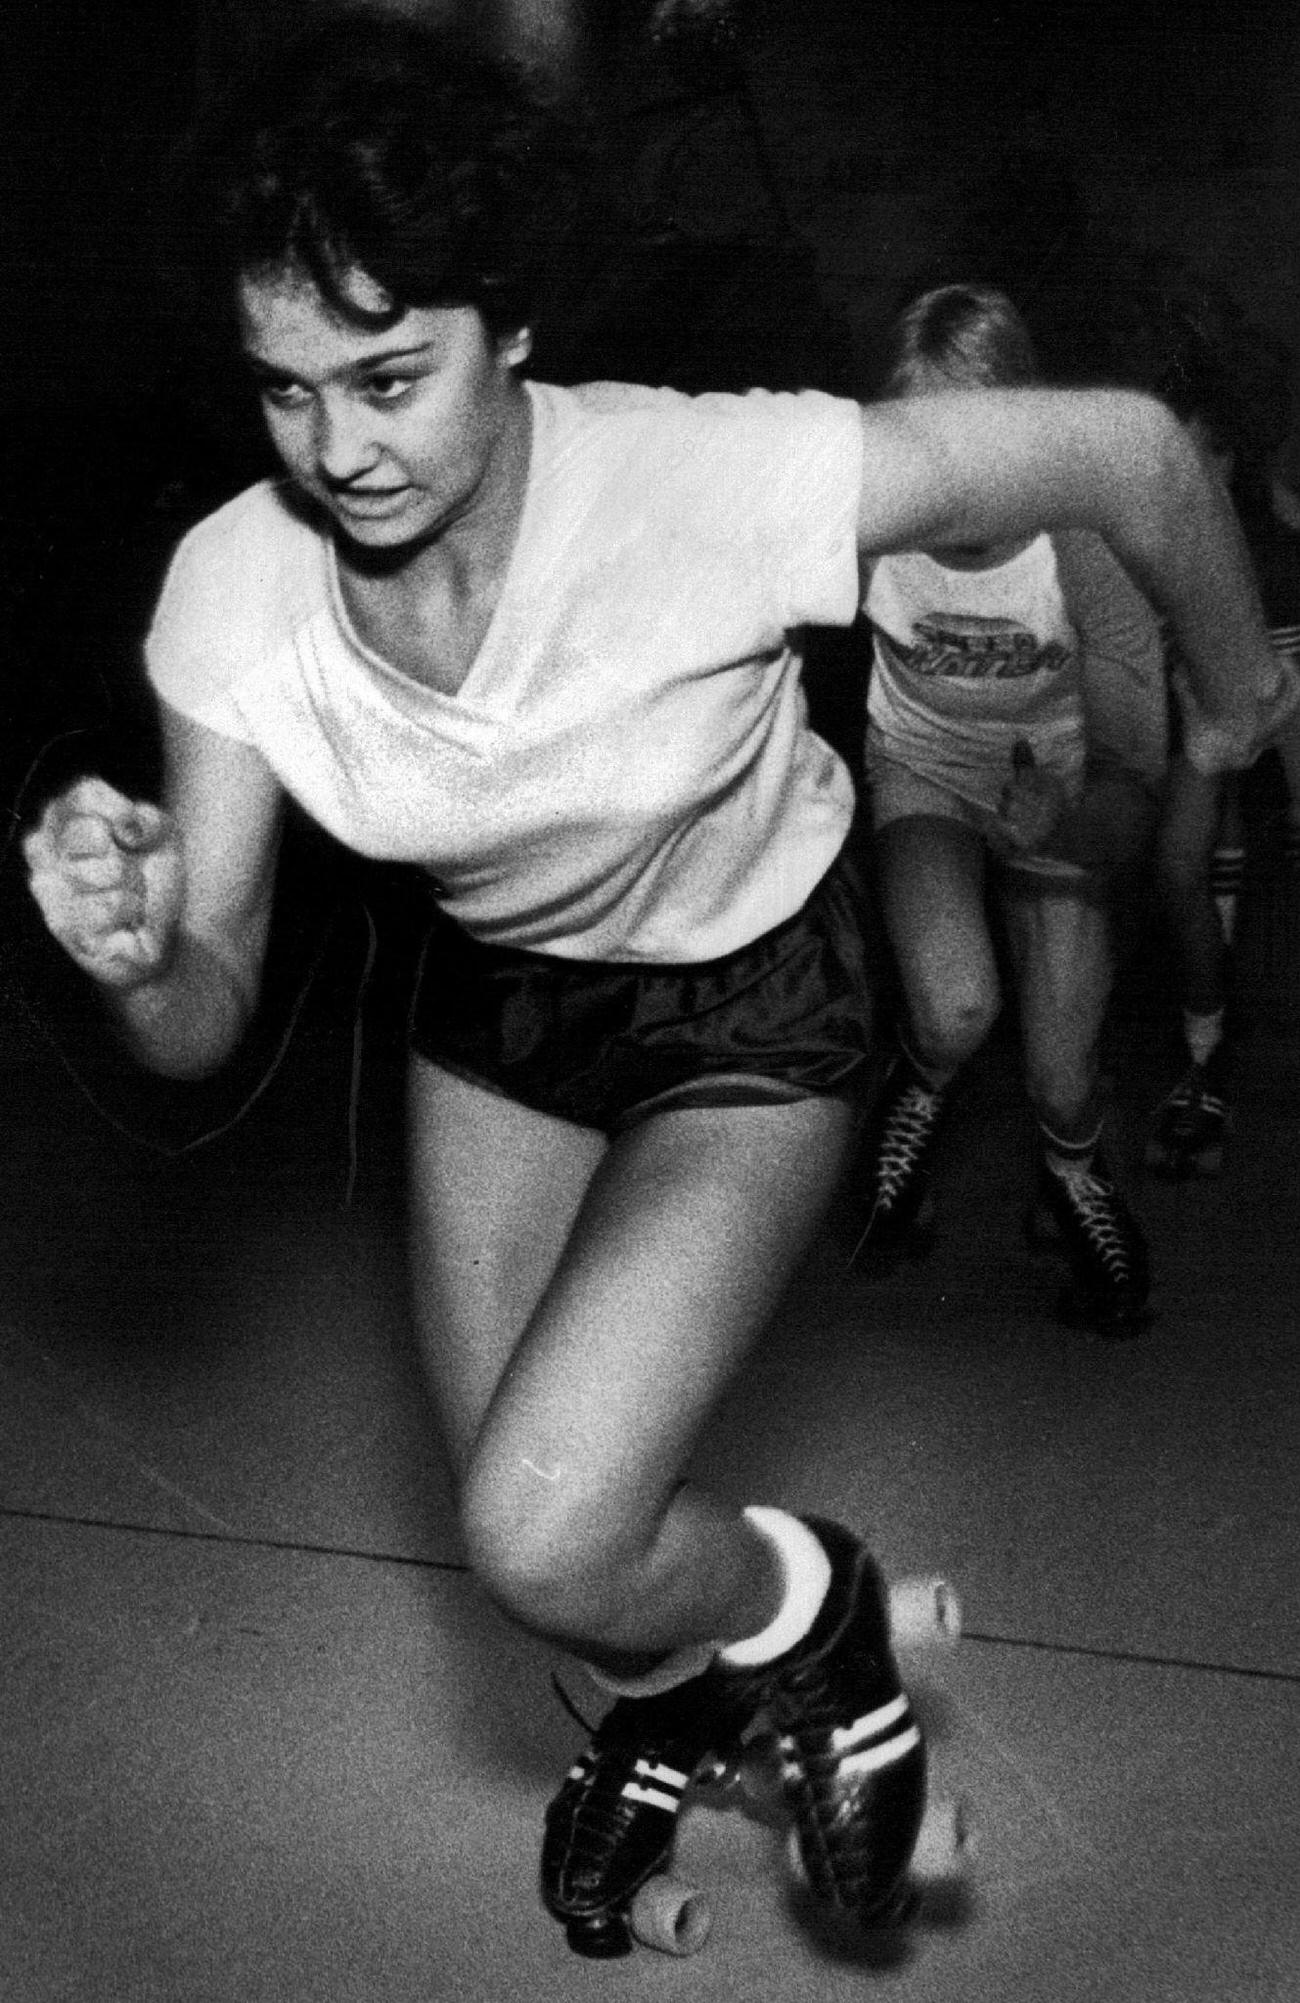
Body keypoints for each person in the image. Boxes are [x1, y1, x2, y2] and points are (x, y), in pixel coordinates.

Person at [20, 15, 1279, 1956]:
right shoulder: (234, 592)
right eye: (284, 392)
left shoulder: (712, 482)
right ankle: (684, 1708)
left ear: (508, 325)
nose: (336, 448)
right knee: (545, 1558)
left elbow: (1120, 451)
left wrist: (1232, 690)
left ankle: (817, 1624)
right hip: (504, 1012)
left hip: (751, 1001)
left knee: (545, 1516)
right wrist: (135, 947)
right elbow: (203, 1018)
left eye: (388, 373)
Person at [848, 283, 1168, 1336]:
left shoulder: (1089, 546)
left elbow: (1134, 790)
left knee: (1063, 1085)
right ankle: (918, 1083)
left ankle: (1074, 1181)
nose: (950, 482)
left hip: (1064, 785)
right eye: (919, 443)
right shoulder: (858, 520)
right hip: (924, 768)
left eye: (979, 445)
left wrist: (1064, 828)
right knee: (955, 1006)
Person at [1146, 354, 1300, 1178]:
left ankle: (1220, 1055)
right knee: (1179, 861)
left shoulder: (1278, 537)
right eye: (1183, 454)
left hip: (1288, 678)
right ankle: (1204, 1048)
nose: (1197, 474)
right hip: (1213, 703)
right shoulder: (1153, 547)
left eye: (1213, 454)